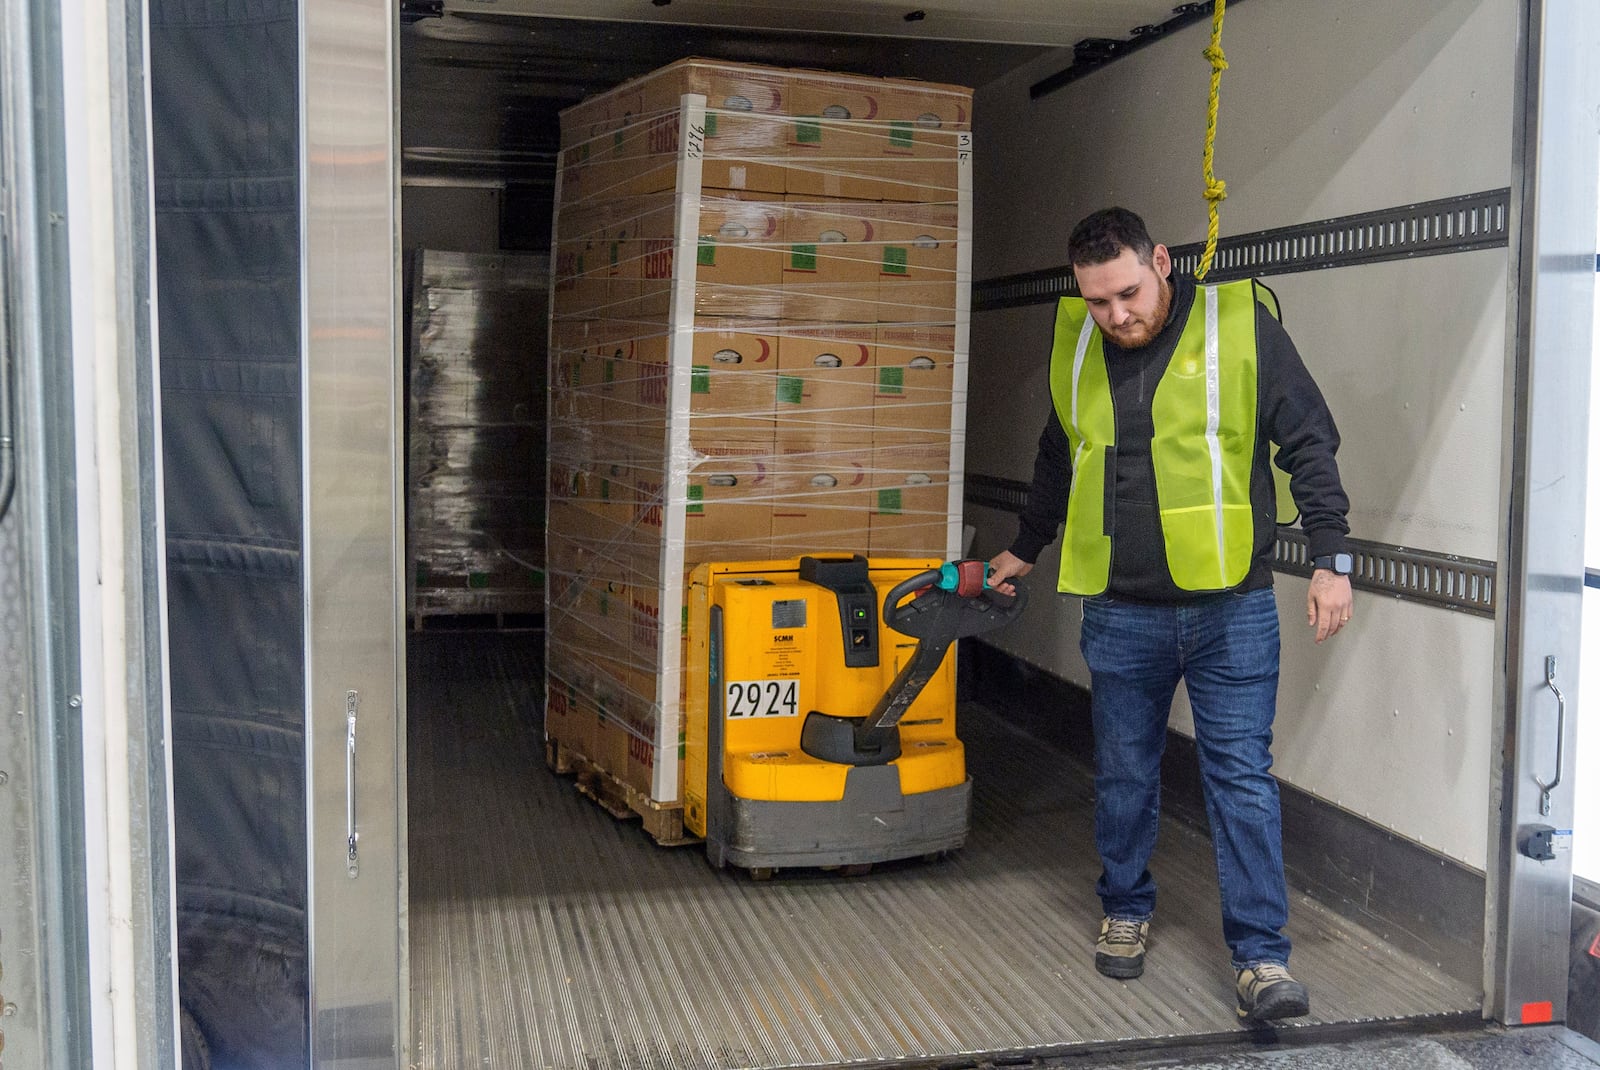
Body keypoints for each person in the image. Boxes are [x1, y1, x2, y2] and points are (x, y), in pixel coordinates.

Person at [986, 207, 1353, 1024]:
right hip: (1123, 611)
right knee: (1122, 774)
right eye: (1097, 302)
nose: (1116, 317)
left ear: (1161, 261)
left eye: (1127, 293)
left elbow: (1308, 440)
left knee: (1240, 779)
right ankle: (1125, 907)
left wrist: (1332, 557)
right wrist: (1026, 547)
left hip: (1233, 609)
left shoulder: (1238, 325)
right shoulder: (1080, 341)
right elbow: (1060, 453)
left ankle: (1262, 959)